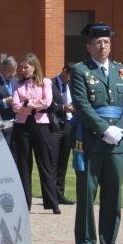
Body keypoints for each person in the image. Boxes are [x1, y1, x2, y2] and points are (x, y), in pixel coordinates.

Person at [70, 22, 123, 244]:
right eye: (97, 42)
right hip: (91, 140)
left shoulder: (122, 71)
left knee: (113, 194)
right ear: (89, 46)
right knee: (87, 194)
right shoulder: (80, 71)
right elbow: (82, 104)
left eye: (106, 41)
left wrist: (119, 129)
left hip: (117, 140)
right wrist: (104, 129)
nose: (103, 46)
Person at [11, 52, 61, 212]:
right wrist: (31, 105)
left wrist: (27, 104)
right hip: (22, 127)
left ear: (34, 67)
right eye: (22, 67)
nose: (23, 70)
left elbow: (47, 102)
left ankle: (52, 202)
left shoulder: (45, 82)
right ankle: (25, 203)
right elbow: (15, 106)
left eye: (26, 67)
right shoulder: (18, 84)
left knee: (45, 163)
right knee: (24, 165)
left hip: (41, 126)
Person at [51, 64, 76, 205]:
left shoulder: (72, 85)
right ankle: (50, 194)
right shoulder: (50, 83)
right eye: (70, 76)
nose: (71, 79)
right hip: (54, 127)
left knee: (63, 163)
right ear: (64, 71)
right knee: (52, 162)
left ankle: (60, 194)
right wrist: (62, 108)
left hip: (68, 126)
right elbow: (47, 105)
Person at [0, 56, 18, 122]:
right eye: (10, 72)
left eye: (14, 71)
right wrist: (5, 102)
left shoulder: (16, 80)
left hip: (16, 122)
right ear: (3, 69)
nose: (13, 74)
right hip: (1, 122)